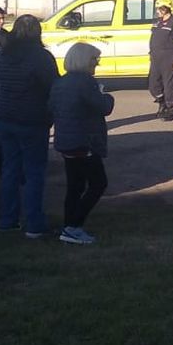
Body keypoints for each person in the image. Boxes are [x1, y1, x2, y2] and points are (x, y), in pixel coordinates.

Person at [0, 15, 59, 238]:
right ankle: (34, 223)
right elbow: (53, 85)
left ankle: (8, 219)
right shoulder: (41, 57)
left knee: (10, 169)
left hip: (4, 115)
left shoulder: (4, 54)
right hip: (32, 118)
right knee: (34, 172)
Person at [50, 42, 115, 245]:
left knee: (75, 186)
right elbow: (104, 107)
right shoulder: (86, 82)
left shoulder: (60, 82)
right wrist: (106, 95)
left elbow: (51, 107)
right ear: (86, 61)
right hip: (84, 142)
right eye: (95, 60)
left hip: (66, 141)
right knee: (98, 184)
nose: (97, 64)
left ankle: (68, 225)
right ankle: (73, 227)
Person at [147, 1, 173, 121]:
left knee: (169, 86)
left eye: (159, 9)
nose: (157, 11)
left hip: (169, 58)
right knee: (153, 85)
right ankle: (162, 102)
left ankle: (170, 109)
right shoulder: (157, 22)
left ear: (165, 9)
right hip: (156, 58)